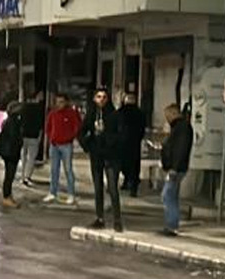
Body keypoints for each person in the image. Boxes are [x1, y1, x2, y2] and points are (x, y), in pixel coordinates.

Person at [79, 87, 125, 231]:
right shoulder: (91, 114)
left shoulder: (114, 115)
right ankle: (100, 218)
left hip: (111, 157)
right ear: (94, 99)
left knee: (112, 188)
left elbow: (122, 134)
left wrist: (111, 142)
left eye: (104, 97)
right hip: (96, 155)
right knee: (98, 188)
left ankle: (117, 219)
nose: (101, 100)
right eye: (98, 97)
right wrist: (87, 145)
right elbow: (81, 131)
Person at [159, 104, 193, 237]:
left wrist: (174, 167)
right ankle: (171, 224)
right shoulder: (179, 128)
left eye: (167, 115)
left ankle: (172, 225)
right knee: (171, 195)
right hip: (175, 167)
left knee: (167, 195)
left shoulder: (182, 128)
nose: (166, 119)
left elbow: (180, 149)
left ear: (174, 113)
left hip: (176, 168)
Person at [42, 93, 82, 205]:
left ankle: (71, 194)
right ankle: (52, 192)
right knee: (54, 170)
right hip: (54, 145)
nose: (59, 104)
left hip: (66, 145)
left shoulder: (71, 113)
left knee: (68, 169)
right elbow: (48, 127)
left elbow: (77, 126)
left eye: (62, 102)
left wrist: (70, 137)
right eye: (58, 102)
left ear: (66, 102)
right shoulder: (52, 113)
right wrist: (51, 137)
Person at [0, 101, 25, 208]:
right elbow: (14, 138)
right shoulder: (14, 121)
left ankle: (8, 196)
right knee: (9, 175)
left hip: (8, 151)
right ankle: (6, 197)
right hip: (10, 152)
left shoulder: (9, 120)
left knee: (9, 175)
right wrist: (19, 144)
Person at [117, 92, 147, 197]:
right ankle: (133, 187)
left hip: (122, 143)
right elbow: (143, 128)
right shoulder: (140, 113)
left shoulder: (120, 112)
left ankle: (126, 181)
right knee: (134, 165)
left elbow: (116, 126)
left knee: (123, 163)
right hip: (134, 143)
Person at [19, 92, 46, 188]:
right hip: (34, 136)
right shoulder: (39, 109)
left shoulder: (23, 107)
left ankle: (22, 176)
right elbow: (41, 125)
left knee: (23, 157)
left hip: (23, 136)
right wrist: (40, 136)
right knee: (31, 158)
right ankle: (27, 176)